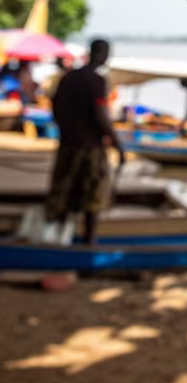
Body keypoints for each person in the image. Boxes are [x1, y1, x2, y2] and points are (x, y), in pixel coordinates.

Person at [47, 38, 122, 245]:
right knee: (93, 196)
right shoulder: (97, 82)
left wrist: (65, 129)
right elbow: (101, 115)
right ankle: (89, 241)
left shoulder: (68, 78)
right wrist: (117, 144)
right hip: (91, 148)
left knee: (63, 189)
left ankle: (57, 236)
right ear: (102, 54)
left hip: (68, 144)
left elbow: (55, 108)